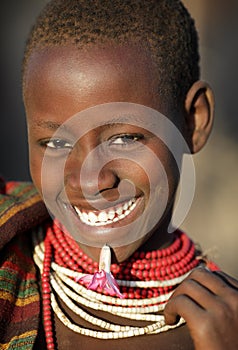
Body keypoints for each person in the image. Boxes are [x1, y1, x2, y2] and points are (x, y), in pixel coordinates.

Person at [0, 0, 238, 349]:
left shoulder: (222, 327)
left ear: (193, 120)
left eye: (124, 139)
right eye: (56, 142)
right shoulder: (9, 257)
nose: (90, 181)